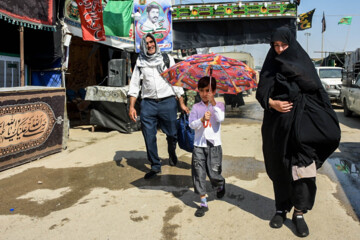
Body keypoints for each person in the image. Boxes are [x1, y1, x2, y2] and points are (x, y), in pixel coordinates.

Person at [256, 27, 340, 237]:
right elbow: (262, 92)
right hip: (277, 127)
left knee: (303, 171)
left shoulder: (303, 63)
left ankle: (299, 213)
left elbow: (317, 92)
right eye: (276, 46)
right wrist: (272, 103)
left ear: (291, 44)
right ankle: (281, 209)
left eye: (284, 45)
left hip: (303, 129)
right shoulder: (270, 65)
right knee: (281, 168)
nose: (280, 49)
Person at [128, 33, 189, 180]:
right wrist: (131, 106)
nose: (150, 45)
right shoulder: (140, 62)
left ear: (156, 43)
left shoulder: (167, 59)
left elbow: (176, 81)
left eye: (151, 42)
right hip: (148, 103)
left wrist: (181, 102)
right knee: (149, 136)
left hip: (168, 102)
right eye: (147, 43)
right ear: (143, 45)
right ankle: (155, 166)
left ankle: (172, 151)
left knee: (172, 133)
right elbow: (135, 84)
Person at [189, 76, 226, 217]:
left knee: (214, 174)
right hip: (199, 146)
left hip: (214, 146)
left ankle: (220, 184)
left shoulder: (219, 105)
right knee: (199, 174)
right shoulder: (196, 107)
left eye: (208, 90)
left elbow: (221, 118)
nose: (205, 94)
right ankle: (203, 203)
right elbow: (191, 124)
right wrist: (201, 119)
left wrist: (213, 103)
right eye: (202, 91)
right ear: (198, 91)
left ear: (214, 91)